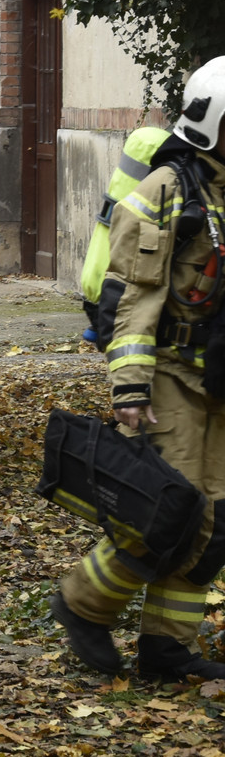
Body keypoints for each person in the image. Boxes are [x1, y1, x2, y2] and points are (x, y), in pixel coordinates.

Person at [53, 56, 225, 682]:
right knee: (165, 512)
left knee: (217, 522)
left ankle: (167, 647)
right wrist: (130, 386)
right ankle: (82, 604)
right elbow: (135, 296)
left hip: (220, 380)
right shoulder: (167, 191)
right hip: (173, 374)